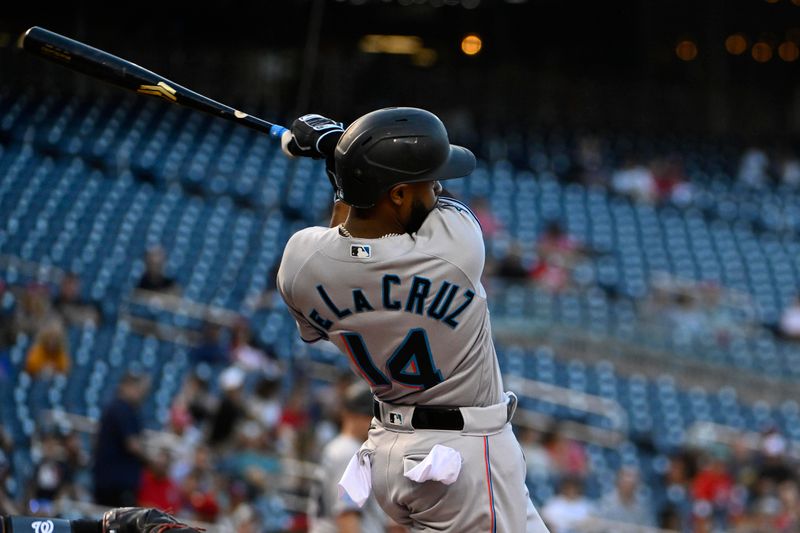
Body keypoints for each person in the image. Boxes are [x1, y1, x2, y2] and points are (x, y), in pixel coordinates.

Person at [277, 109, 549, 531]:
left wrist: (345, 165)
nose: (438, 187)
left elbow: (340, 242)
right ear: (399, 194)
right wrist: (337, 152)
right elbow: (432, 216)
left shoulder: (298, 265)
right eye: (429, 181)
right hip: (462, 454)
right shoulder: (456, 250)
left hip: (391, 448)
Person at [309, 382, 403, 533]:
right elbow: (346, 516)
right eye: (371, 417)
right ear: (350, 415)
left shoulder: (341, 448)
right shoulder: (350, 452)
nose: (378, 425)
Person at [92, 370, 150, 507]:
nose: (141, 393)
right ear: (126, 386)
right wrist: (151, 460)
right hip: (116, 482)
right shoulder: (121, 409)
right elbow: (132, 445)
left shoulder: (124, 409)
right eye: (137, 388)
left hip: (112, 479)